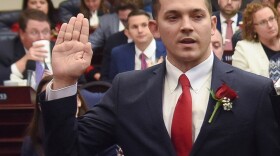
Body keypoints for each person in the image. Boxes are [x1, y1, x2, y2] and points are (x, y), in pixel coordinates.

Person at [41, 0, 280, 156]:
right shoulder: (126, 89)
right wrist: (63, 81)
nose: (186, 26)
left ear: (212, 24)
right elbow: (68, 150)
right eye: (173, 17)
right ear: (155, 28)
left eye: (197, 16)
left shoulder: (255, 91)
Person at [21, 75, 89, 156]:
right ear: (41, 107)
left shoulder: (96, 133)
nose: (58, 104)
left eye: (64, 96)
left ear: (78, 100)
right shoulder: (31, 142)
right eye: (50, 99)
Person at [109, 9, 166, 81]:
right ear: (127, 33)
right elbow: (112, 83)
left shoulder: (169, 50)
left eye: (144, 25)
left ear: (153, 28)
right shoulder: (118, 53)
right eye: (135, 27)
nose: (140, 30)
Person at [0, 9, 53, 86]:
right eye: (34, 32)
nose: (41, 37)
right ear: (22, 34)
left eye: (45, 32)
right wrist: (25, 60)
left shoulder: (58, 49)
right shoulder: (4, 50)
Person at [232, 3, 280, 84]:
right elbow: (241, 83)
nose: (270, 25)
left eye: (271, 19)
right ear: (253, 28)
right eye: (263, 22)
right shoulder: (243, 49)